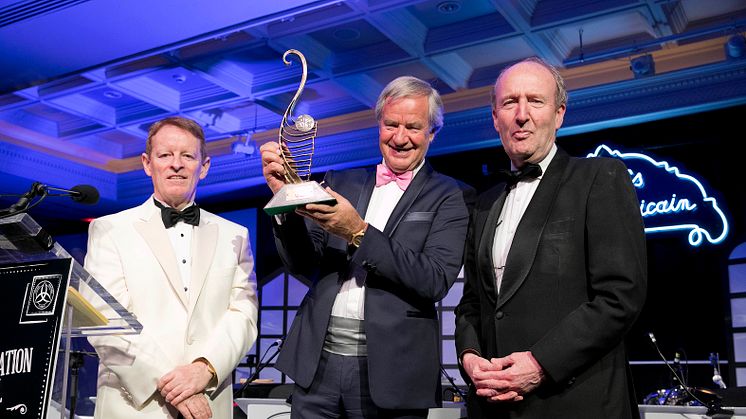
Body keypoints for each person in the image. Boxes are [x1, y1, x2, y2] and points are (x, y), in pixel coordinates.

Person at [261, 76, 474, 418]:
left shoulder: (451, 195)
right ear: (379, 125)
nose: (399, 137)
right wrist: (283, 201)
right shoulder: (341, 181)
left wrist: (358, 232)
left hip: (393, 373)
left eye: (413, 127)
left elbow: (434, 279)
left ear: (432, 133)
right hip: (318, 367)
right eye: (391, 124)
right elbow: (304, 263)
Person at [454, 58, 647, 418]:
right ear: (495, 117)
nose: (522, 114)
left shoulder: (599, 177)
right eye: (510, 102)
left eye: (535, 101)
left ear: (559, 114)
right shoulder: (484, 203)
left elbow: (620, 296)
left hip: (577, 404)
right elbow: (471, 304)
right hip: (494, 407)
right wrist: (470, 357)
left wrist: (541, 363)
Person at [83, 116, 259, 419]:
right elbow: (105, 322)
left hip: (209, 401)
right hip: (135, 406)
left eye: (187, 156)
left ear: (203, 166)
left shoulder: (236, 235)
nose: (176, 164)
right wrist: (176, 386)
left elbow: (243, 315)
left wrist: (204, 370)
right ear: (147, 163)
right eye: (165, 155)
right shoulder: (109, 230)